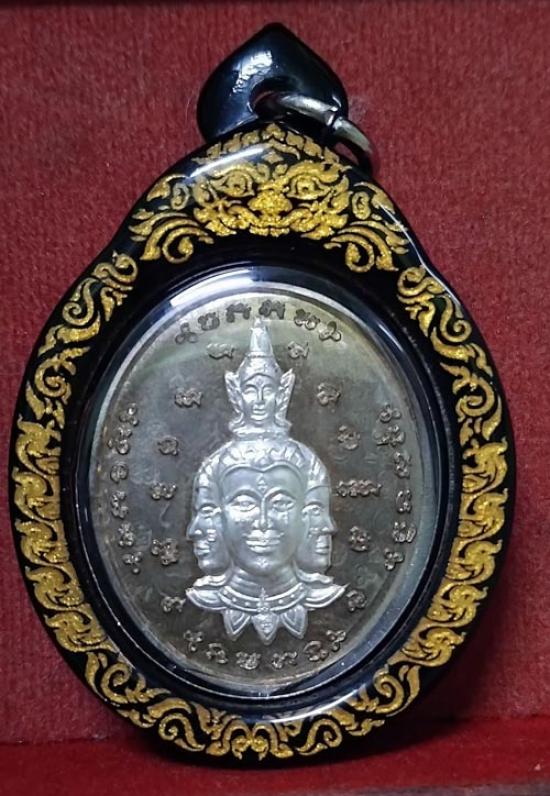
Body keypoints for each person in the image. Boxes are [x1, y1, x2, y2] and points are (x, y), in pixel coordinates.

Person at [185, 319, 344, 644]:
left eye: (267, 390)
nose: (259, 401)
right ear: (236, 393)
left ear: (282, 392)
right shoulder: (215, 465)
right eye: (243, 502)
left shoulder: (306, 461)